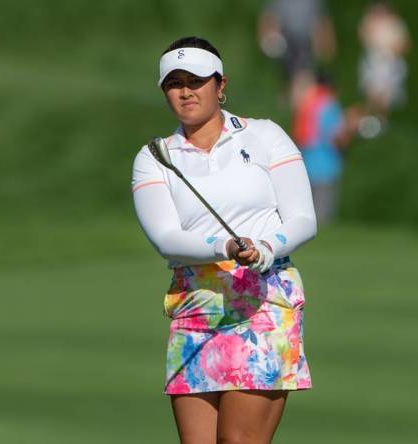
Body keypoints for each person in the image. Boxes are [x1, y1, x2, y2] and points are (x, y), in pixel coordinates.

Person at [131, 36, 316, 443]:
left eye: (195, 80)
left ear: (220, 84)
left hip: (264, 301)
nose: (185, 91)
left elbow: (304, 217)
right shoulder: (156, 156)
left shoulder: (265, 136)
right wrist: (226, 247)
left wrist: (266, 247)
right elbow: (166, 237)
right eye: (174, 83)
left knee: (238, 439)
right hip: (196, 304)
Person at [291, 70, 358, 224]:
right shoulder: (330, 105)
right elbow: (336, 137)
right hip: (326, 166)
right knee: (322, 217)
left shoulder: (307, 104)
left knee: (305, 214)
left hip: (305, 164)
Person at [257, 0, 337, 99]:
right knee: (297, 72)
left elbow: (322, 20)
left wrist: (324, 43)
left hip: (308, 44)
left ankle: (314, 95)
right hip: (287, 44)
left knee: (309, 72)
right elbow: (268, 19)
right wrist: (269, 39)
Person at [357, 0, 411, 137]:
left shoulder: (396, 24)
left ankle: (381, 121)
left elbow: (404, 44)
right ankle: (368, 120)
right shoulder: (370, 22)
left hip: (389, 64)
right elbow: (363, 37)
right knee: (372, 92)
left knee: (385, 95)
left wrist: (393, 49)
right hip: (373, 63)